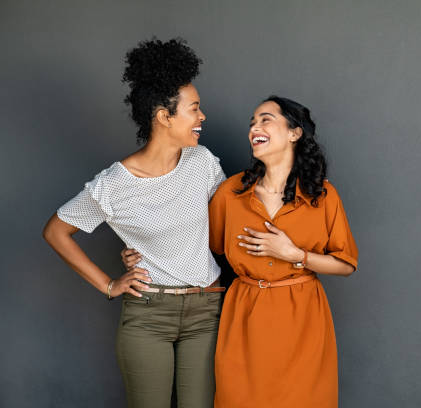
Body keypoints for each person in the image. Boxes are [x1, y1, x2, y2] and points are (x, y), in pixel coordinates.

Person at [124, 96, 358, 407]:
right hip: (245, 316)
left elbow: (345, 264)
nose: (254, 128)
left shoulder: (322, 195)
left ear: (294, 133)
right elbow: (196, 243)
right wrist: (139, 250)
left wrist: (295, 255)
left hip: (303, 318)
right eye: (252, 123)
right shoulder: (231, 193)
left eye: (265, 119)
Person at [42, 38, 225, 408]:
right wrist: (109, 284)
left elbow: (227, 225)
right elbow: (56, 232)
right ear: (164, 116)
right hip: (148, 318)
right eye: (194, 109)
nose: (202, 117)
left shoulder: (203, 163)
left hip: (207, 310)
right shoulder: (113, 185)